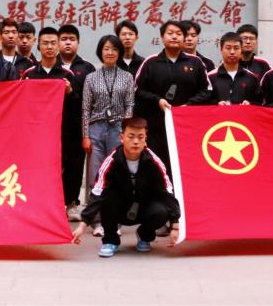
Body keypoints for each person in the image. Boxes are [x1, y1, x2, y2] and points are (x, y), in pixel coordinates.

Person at [71, 117, 181, 257]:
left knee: (161, 210)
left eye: (140, 137)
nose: (135, 141)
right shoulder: (111, 161)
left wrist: (175, 225)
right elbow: (97, 193)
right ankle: (110, 241)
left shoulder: (154, 161)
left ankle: (144, 235)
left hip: (144, 208)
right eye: (131, 136)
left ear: (145, 139)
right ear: (122, 138)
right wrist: (83, 225)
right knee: (106, 198)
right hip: (119, 210)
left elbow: (167, 192)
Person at [134, 20, 211, 171]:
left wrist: (188, 105)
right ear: (162, 38)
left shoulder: (195, 62)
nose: (174, 37)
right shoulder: (151, 62)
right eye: (170, 33)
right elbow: (137, 90)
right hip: (157, 127)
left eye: (178, 34)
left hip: (187, 127)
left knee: (185, 167)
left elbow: (207, 90)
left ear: (184, 38)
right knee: (157, 167)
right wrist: (157, 100)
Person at [81, 34, 136, 237]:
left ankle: (116, 221)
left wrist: (126, 132)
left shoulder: (127, 77)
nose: (110, 52)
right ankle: (96, 221)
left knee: (117, 175)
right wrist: (85, 135)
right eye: (106, 49)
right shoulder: (91, 78)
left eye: (114, 49)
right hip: (96, 129)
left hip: (118, 129)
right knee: (95, 176)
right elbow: (86, 109)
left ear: (119, 52)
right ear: (100, 52)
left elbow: (130, 105)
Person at [21, 27, 78, 216]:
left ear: (58, 45)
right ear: (38, 46)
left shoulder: (67, 75)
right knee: (36, 167)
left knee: (60, 169)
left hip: (61, 131)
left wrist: (70, 92)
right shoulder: (29, 74)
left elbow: (76, 105)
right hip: (35, 132)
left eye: (53, 43)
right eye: (45, 43)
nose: (50, 47)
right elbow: (20, 104)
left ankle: (62, 204)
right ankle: (35, 203)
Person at [56, 25, 96, 219]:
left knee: (75, 166)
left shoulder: (87, 68)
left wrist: (72, 93)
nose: (68, 42)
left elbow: (92, 100)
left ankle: (72, 203)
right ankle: (55, 203)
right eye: (64, 39)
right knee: (53, 166)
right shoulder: (49, 65)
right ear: (58, 42)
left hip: (76, 127)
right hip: (52, 128)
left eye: (72, 39)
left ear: (78, 43)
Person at [208, 32, 262, 106]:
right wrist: (216, 105)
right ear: (221, 49)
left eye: (236, 48)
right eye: (228, 48)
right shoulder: (210, 77)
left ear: (241, 50)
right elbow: (204, 104)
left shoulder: (251, 77)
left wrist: (250, 104)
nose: (232, 52)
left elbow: (260, 103)